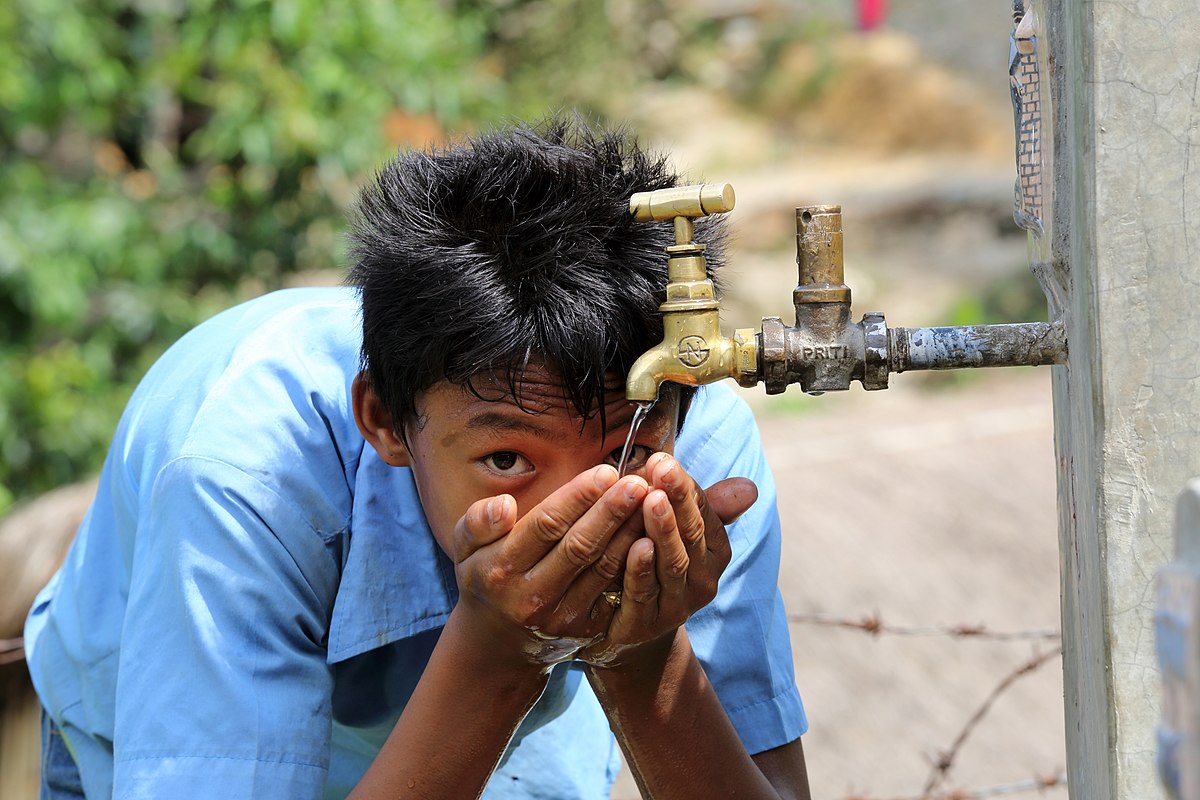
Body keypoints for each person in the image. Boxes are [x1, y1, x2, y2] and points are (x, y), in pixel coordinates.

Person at [25, 117, 810, 799]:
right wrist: (498, 653)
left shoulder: (697, 451)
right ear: (385, 422)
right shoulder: (246, 476)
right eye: (508, 458)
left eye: (625, 450)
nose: (580, 513)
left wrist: (639, 657)